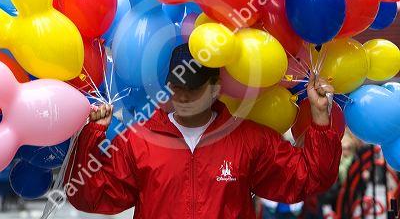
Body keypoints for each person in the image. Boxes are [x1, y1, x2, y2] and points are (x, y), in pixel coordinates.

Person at [64, 43, 342, 218]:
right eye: (177, 88)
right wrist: (93, 134)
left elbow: (309, 178)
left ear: (215, 89)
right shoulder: (138, 141)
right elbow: (88, 196)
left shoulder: (248, 140)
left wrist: (319, 117)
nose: (183, 97)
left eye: (193, 89)